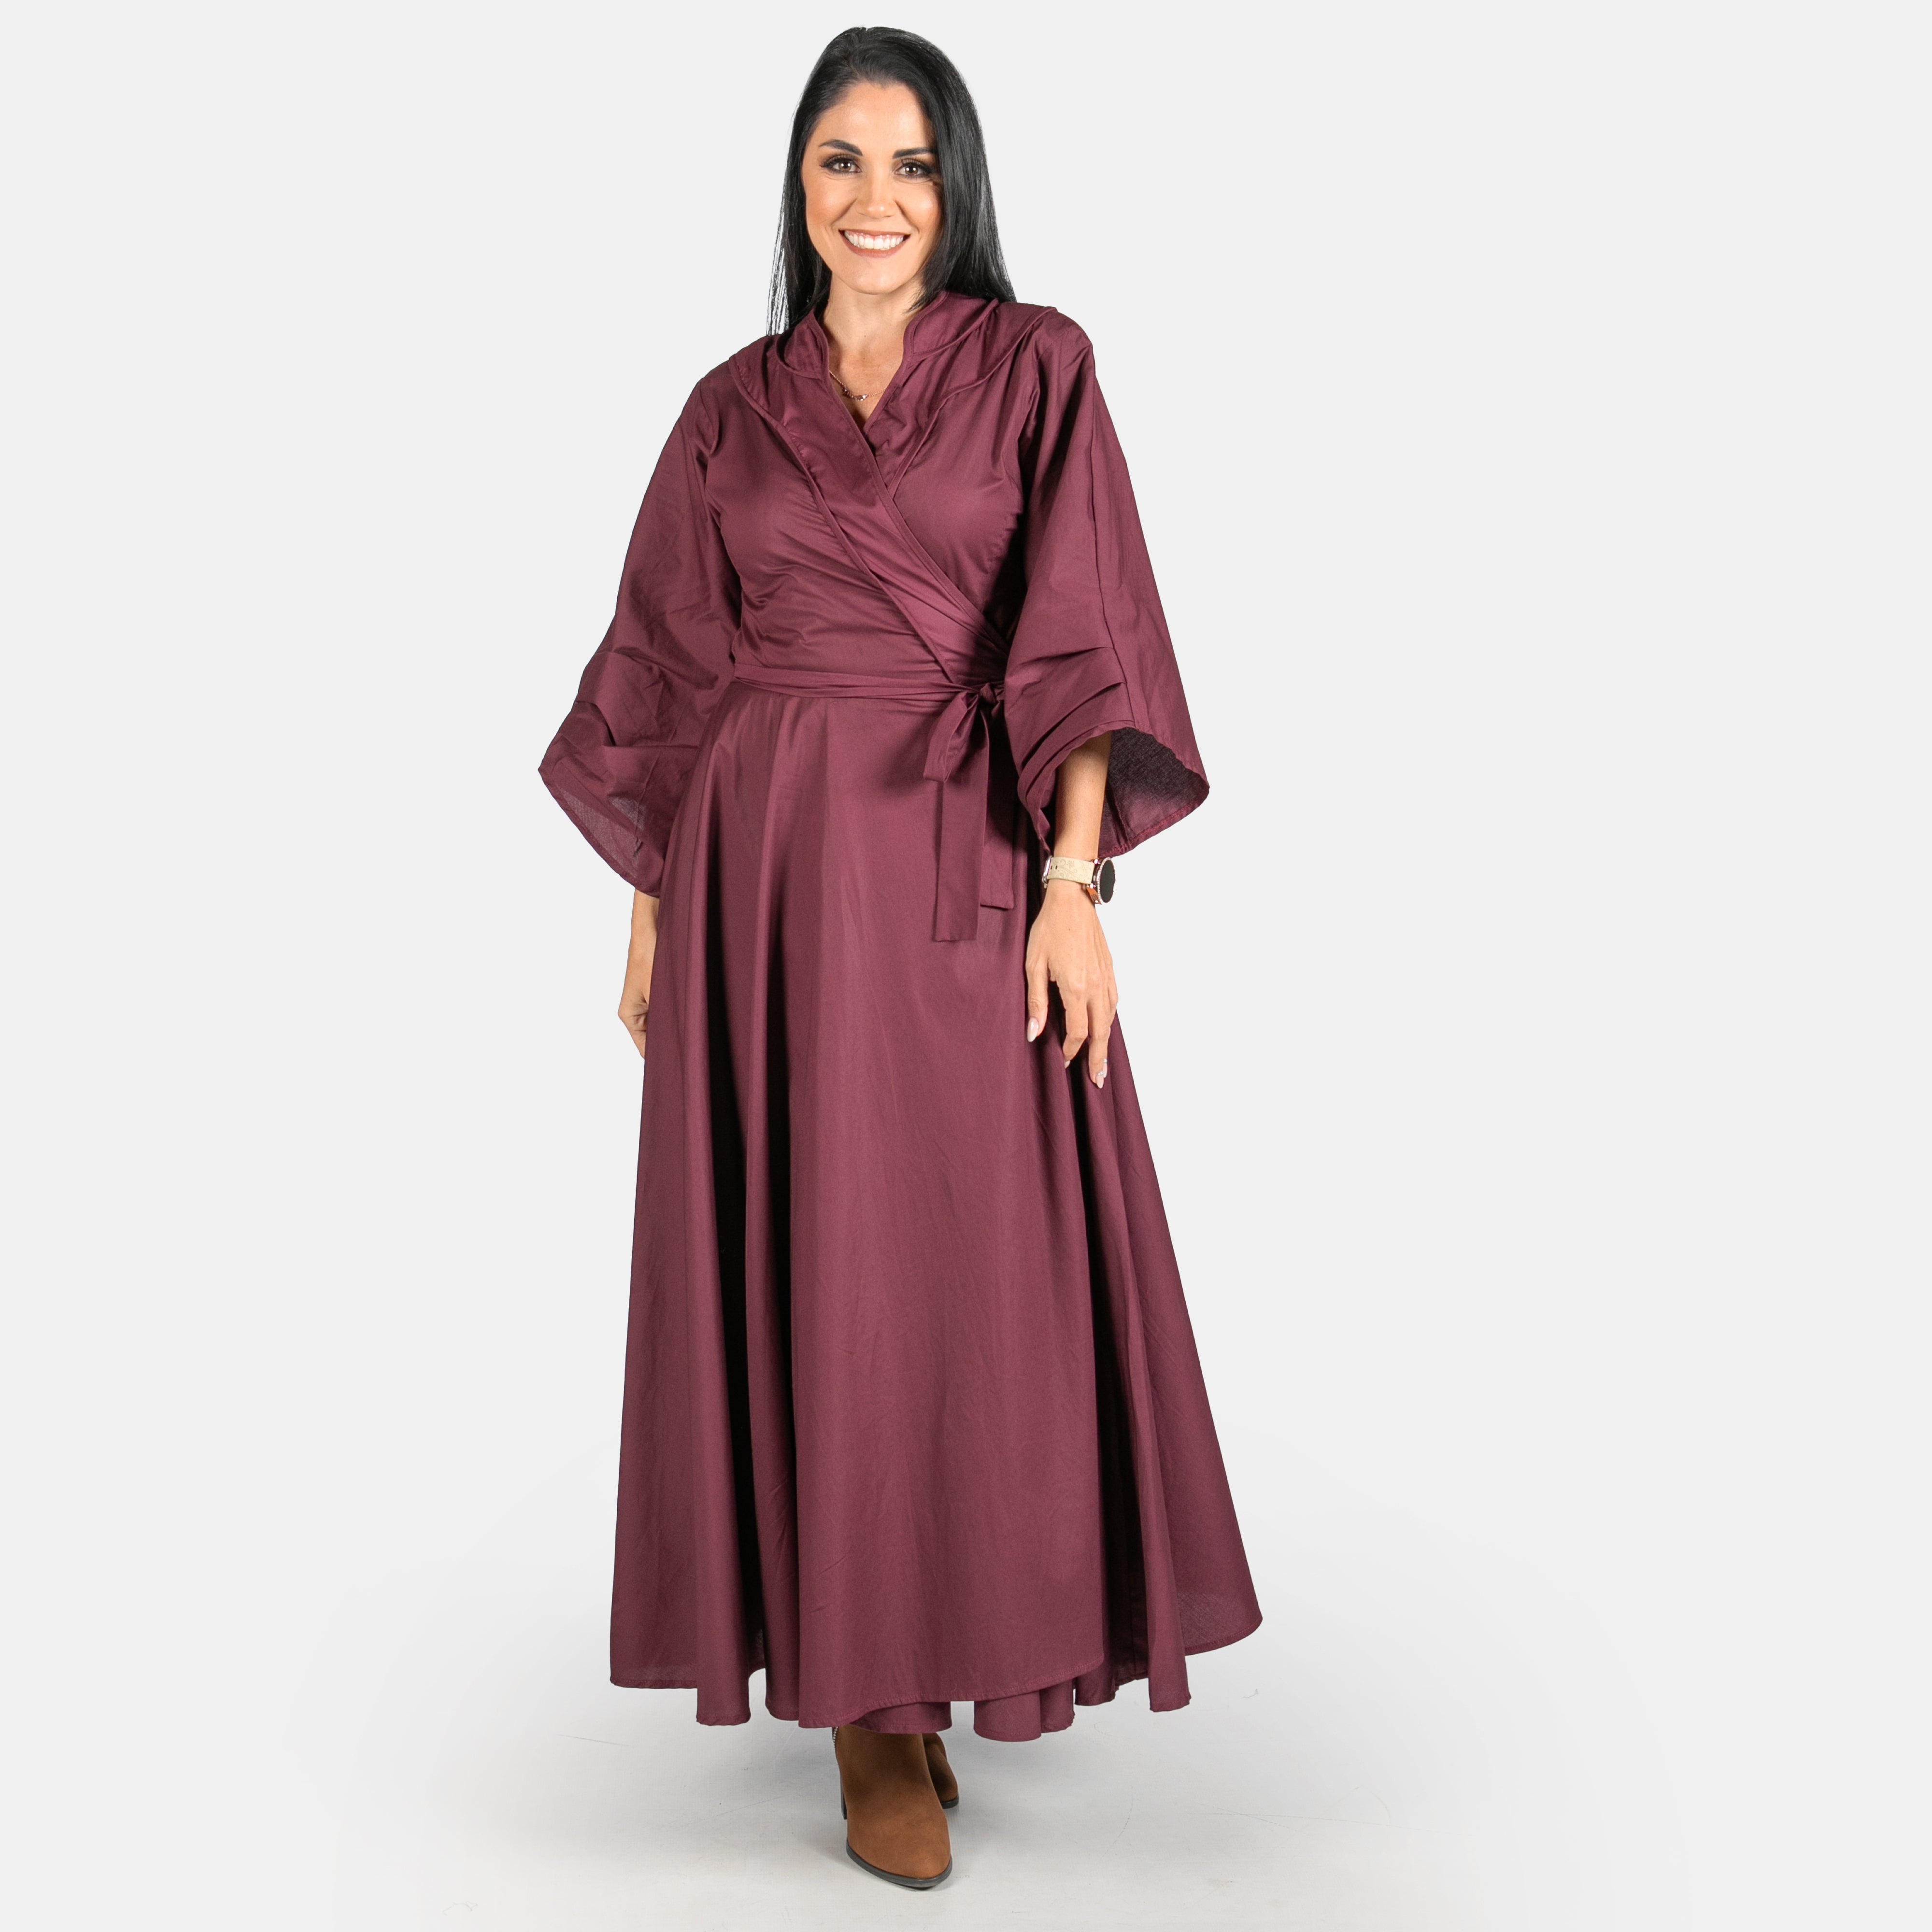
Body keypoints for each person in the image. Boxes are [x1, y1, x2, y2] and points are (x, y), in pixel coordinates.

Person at [538, 25, 1261, 1891]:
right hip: (764, 875)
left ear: (961, 188)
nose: (877, 200)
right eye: (842, 162)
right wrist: (651, 901)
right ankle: (871, 1712)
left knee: (969, 1267)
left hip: (966, 853)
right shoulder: (730, 406)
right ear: (799, 184)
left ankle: (971, 1634)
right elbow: (669, 655)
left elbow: (1083, 626)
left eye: (914, 165)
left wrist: (1076, 885)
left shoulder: (1038, 367)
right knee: (818, 1258)